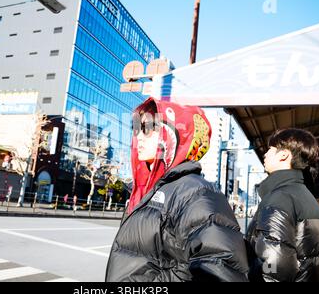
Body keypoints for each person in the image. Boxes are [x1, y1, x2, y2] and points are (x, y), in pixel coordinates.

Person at [105, 98, 249, 282]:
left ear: (176, 133)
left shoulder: (197, 193)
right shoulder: (151, 191)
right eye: (136, 129)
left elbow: (220, 270)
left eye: (147, 128)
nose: (138, 136)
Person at [246, 128, 319, 282]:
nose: (265, 154)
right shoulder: (309, 198)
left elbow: (272, 264)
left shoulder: (280, 198)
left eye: (270, 150)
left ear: (284, 154)